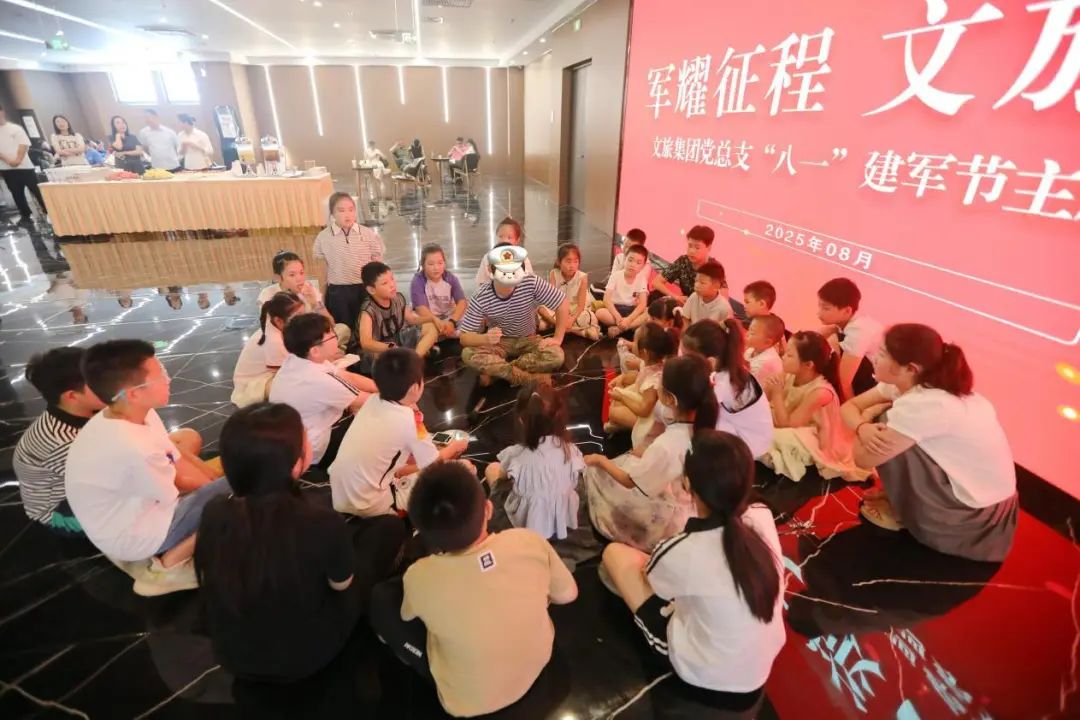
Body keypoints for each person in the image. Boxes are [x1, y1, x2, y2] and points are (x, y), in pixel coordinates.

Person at [195, 403, 407, 683]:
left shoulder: (215, 513)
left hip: (232, 655)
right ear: (295, 464)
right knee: (389, 529)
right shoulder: (320, 522)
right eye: (304, 435)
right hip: (307, 655)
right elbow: (341, 585)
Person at [369, 461, 578, 718]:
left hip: (468, 703)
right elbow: (568, 594)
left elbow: (407, 615)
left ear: (423, 534)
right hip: (540, 663)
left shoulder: (419, 576)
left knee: (382, 599)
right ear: (488, 509)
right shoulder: (528, 541)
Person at [601, 431, 785, 710]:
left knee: (614, 554)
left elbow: (652, 580)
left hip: (704, 672)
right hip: (761, 665)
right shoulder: (762, 515)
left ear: (687, 484)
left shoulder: (686, 549)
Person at [64, 340, 229, 595]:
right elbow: (177, 485)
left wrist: (213, 480)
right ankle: (168, 566)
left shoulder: (132, 414)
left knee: (203, 458)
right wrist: (222, 489)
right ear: (133, 393)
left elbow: (174, 455)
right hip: (134, 537)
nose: (168, 379)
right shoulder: (132, 447)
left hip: (126, 514)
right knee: (239, 491)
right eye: (160, 375)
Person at [842, 324, 1017, 561]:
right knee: (887, 423)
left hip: (971, 520)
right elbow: (848, 407)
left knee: (884, 420)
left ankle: (905, 512)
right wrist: (863, 426)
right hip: (984, 501)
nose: (874, 358)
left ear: (910, 368)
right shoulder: (913, 384)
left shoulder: (927, 404)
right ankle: (898, 501)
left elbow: (862, 459)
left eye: (882, 354)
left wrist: (866, 417)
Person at [584, 354, 717, 552]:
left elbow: (629, 481)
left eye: (660, 387)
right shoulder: (706, 428)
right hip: (688, 502)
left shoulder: (666, 445)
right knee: (631, 458)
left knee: (596, 474)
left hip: (668, 518)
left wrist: (600, 460)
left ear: (670, 399)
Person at [331, 348, 469, 517]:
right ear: (415, 388)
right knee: (465, 468)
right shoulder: (410, 421)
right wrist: (455, 447)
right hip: (368, 503)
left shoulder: (372, 400)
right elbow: (432, 463)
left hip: (340, 491)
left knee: (409, 462)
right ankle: (397, 514)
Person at [13, 348, 105, 536]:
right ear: (72, 396)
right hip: (59, 511)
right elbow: (112, 481)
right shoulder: (66, 443)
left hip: (78, 482)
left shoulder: (78, 410)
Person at [268, 314, 375, 468]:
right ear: (315, 351)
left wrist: (380, 387)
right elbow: (368, 401)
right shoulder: (318, 380)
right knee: (378, 420)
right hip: (313, 449)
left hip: (292, 438)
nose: (335, 337)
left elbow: (347, 376)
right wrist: (400, 396)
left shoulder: (297, 359)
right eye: (331, 335)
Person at [761, 331, 869, 483]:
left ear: (808, 365)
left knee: (775, 438)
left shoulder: (821, 392)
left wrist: (777, 394)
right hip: (786, 418)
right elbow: (765, 398)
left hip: (814, 434)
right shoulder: (789, 373)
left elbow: (788, 424)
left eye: (789, 355)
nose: (783, 357)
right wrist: (768, 388)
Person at [484, 383, 583, 540]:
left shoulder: (515, 454)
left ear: (522, 420)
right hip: (562, 518)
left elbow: (502, 475)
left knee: (492, 469)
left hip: (527, 522)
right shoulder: (571, 450)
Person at [459, 246, 569, 386]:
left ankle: (498, 374)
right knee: (468, 353)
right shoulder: (481, 296)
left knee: (556, 356)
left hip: (529, 339)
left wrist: (558, 338)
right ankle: (525, 378)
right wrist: (485, 338)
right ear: (490, 270)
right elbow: (464, 337)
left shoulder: (531, 282)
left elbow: (562, 302)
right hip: (499, 343)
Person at [681, 320, 774, 459]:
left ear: (711, 361)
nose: (682, 360)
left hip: (751, 444)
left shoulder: (723, 383)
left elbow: (693, 406)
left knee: (688, 426)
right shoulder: (730, 369)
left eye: (686, 358)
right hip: (750, 431)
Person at [312, 192, 385, 332]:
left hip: (365, 289)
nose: (348, 214)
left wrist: (379, 290)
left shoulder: (368, 234)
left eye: (351, 209)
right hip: (338, 292)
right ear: (332, 213)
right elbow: (322, 272)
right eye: (341, 210)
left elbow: (377, 266)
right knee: (343, 330)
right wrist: (321, 299)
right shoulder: (323, 238)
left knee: (368, 329)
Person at [257, 250, 350, 350]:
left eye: (301, 273)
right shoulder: (268, 294)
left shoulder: (309, 289)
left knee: (343, 329)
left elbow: (331, 323)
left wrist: (315, 303)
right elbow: (270, 330)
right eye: (292, 275)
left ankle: (324, 349)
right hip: (286, 340)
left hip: (311, 337)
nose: (299, 279)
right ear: (278, 277)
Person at [606, 323, 679, 449]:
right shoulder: (648, 363)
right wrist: (621, 378)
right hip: (641, 398)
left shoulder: (653, 381)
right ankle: (620, 421)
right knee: (619, 392)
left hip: (648, 420)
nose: (632, 343)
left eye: (634, 342)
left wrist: (622, 398)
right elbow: (637, 375)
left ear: (644, 352)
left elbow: (644, 411)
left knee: (613, 412)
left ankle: (623, 425)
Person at [359, 261, 439, 369]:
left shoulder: (398, 298)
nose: (392, 285)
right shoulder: (368, 310)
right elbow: (366, 343)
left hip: (396, 341)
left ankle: (414, 360)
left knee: (431, 327)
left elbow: (411, 320)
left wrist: (432, 318)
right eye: (385, 283)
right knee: (379, 358)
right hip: (379, 348)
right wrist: (390, 347)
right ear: (371, 290)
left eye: (392, 279)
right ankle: (407, 359)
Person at [231, 291, 305, 407]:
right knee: (296, 383)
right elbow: (285, 373)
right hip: (251, 385)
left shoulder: (277, 326)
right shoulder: (274, 340)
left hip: (268, 374)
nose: (304, 322)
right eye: (297, 318)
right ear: (278, 321)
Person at [817, 277, 883, 401]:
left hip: (877, 384)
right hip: (870, 373)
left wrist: (849, 408)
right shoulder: (850, 320)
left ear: (847, 311)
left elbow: (844, 382)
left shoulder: (858, 332)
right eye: (819, 306)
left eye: (826, 308)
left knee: (832, 342)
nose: (819, 313)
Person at [0, 105, 47, 224]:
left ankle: (48, 211)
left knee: (36, 191)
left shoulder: (15, 128)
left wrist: (17, 160)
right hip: (7, 169)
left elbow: (24, 145)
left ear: (2, 112)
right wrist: (8, 161)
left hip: (25, 167)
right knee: (17, 194)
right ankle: (26, 216)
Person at [651, 225, 722, 304]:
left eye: (697, 248)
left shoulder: (715, 268)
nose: (691, 251)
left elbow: (722, 298)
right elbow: (656, 282)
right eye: (690, 245)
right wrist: (676, 297)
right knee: (655, 295)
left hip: (703, 307)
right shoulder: (683, 261)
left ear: (709, 247)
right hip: (685, 303)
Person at [410, 243, 467, 342]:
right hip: (430, 318)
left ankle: (443, 335)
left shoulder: (451, 278)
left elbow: (462, 302)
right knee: (417, 323)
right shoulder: (418, 281)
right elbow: (421, 309)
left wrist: (452, 322)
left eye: (440, 263)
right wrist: (437, 322)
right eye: (431, 264)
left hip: (448, 317)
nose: (436, 268)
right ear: (423, 265)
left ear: (444, 263)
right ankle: (449, 334)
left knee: (471, 317)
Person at [542, 243, 599, 340]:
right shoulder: (554, 273)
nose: (572, 265)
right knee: (541, 310)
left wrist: (571, 319)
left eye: (576, 262)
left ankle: (559, 326)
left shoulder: (582, 277)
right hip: (558, 308)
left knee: (588, 317)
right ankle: (578, 331)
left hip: (575, 310)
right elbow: (552, 300)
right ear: (559, 262)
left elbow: (581, 306)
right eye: (568, 261)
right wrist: (562, 315)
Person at [597, 244, 650, 338]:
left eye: (638, 263)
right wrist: (617, 316)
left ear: (643, 266)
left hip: (631, 311)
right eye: (630, 260)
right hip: (615, 309)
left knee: (649, 312)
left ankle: (619, 329)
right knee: (600, 312)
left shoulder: (642, 279)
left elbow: (642, 304)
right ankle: (627, 326)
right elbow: (606, 299)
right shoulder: (616, 275)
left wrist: (629, 319)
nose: (633, 264)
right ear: (625, 259)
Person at [617, 297, 682, 374]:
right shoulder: (662, 334)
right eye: (649, 317)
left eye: (653, 319)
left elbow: (663, 368)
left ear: (670, 323)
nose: (648, 321)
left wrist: (639, 364)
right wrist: (630, 344)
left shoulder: (672, 340)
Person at [475, 217, 534, 285]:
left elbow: (530, 282)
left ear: (517, 240)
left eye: (509, 237)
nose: (504, 240)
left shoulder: (523, 259)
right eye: (500, 236)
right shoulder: (488, 258)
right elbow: (481, 282)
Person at [682, 259, 731, 324]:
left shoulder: (724, 308)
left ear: (716, 286)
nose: (696, 285)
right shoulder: (694, 296)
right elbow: (685, 319)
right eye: (696, 281)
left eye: (702, 283)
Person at [744, 313, 785, 383]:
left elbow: (748, 382)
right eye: (748, 330)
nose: (747, 334)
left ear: (767, 342)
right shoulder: (752, 349)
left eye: (752, 333)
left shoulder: (766, 362)